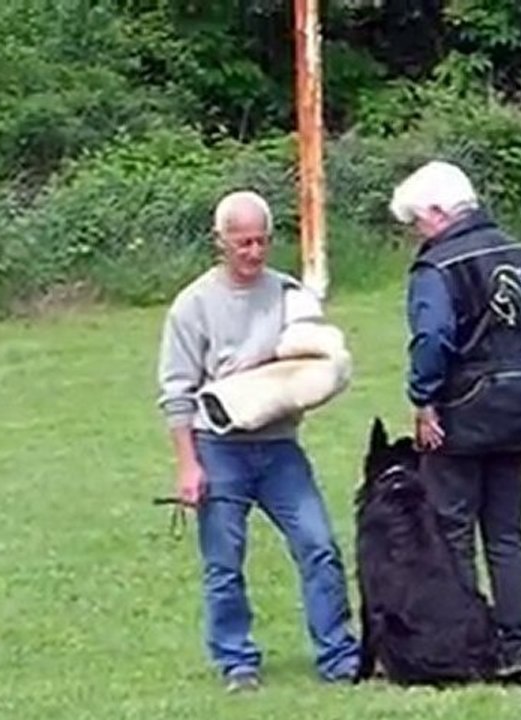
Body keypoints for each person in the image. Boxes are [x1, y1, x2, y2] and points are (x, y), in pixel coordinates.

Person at [156, 190, 360, 692]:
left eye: (261, 241)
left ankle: (339, 656)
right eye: (242, 242)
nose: (253, 252)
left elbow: (313, 356)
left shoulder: (288, 293)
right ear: (220, 242)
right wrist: (188, 466)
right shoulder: (192, 306)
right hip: (218, 448)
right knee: (224, 563)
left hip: (279, 447)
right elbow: (176, 393)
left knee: (318, 545)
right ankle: (237, 662)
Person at [389, 161, 521, 674]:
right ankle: (519, 641)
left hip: (460, 411)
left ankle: (467, 639)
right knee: (507, 532)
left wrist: (424, 399)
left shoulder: (437, 268)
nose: (416, 234)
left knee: (452, 530)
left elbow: (433, 337)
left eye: (417, 222)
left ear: (438, 212)